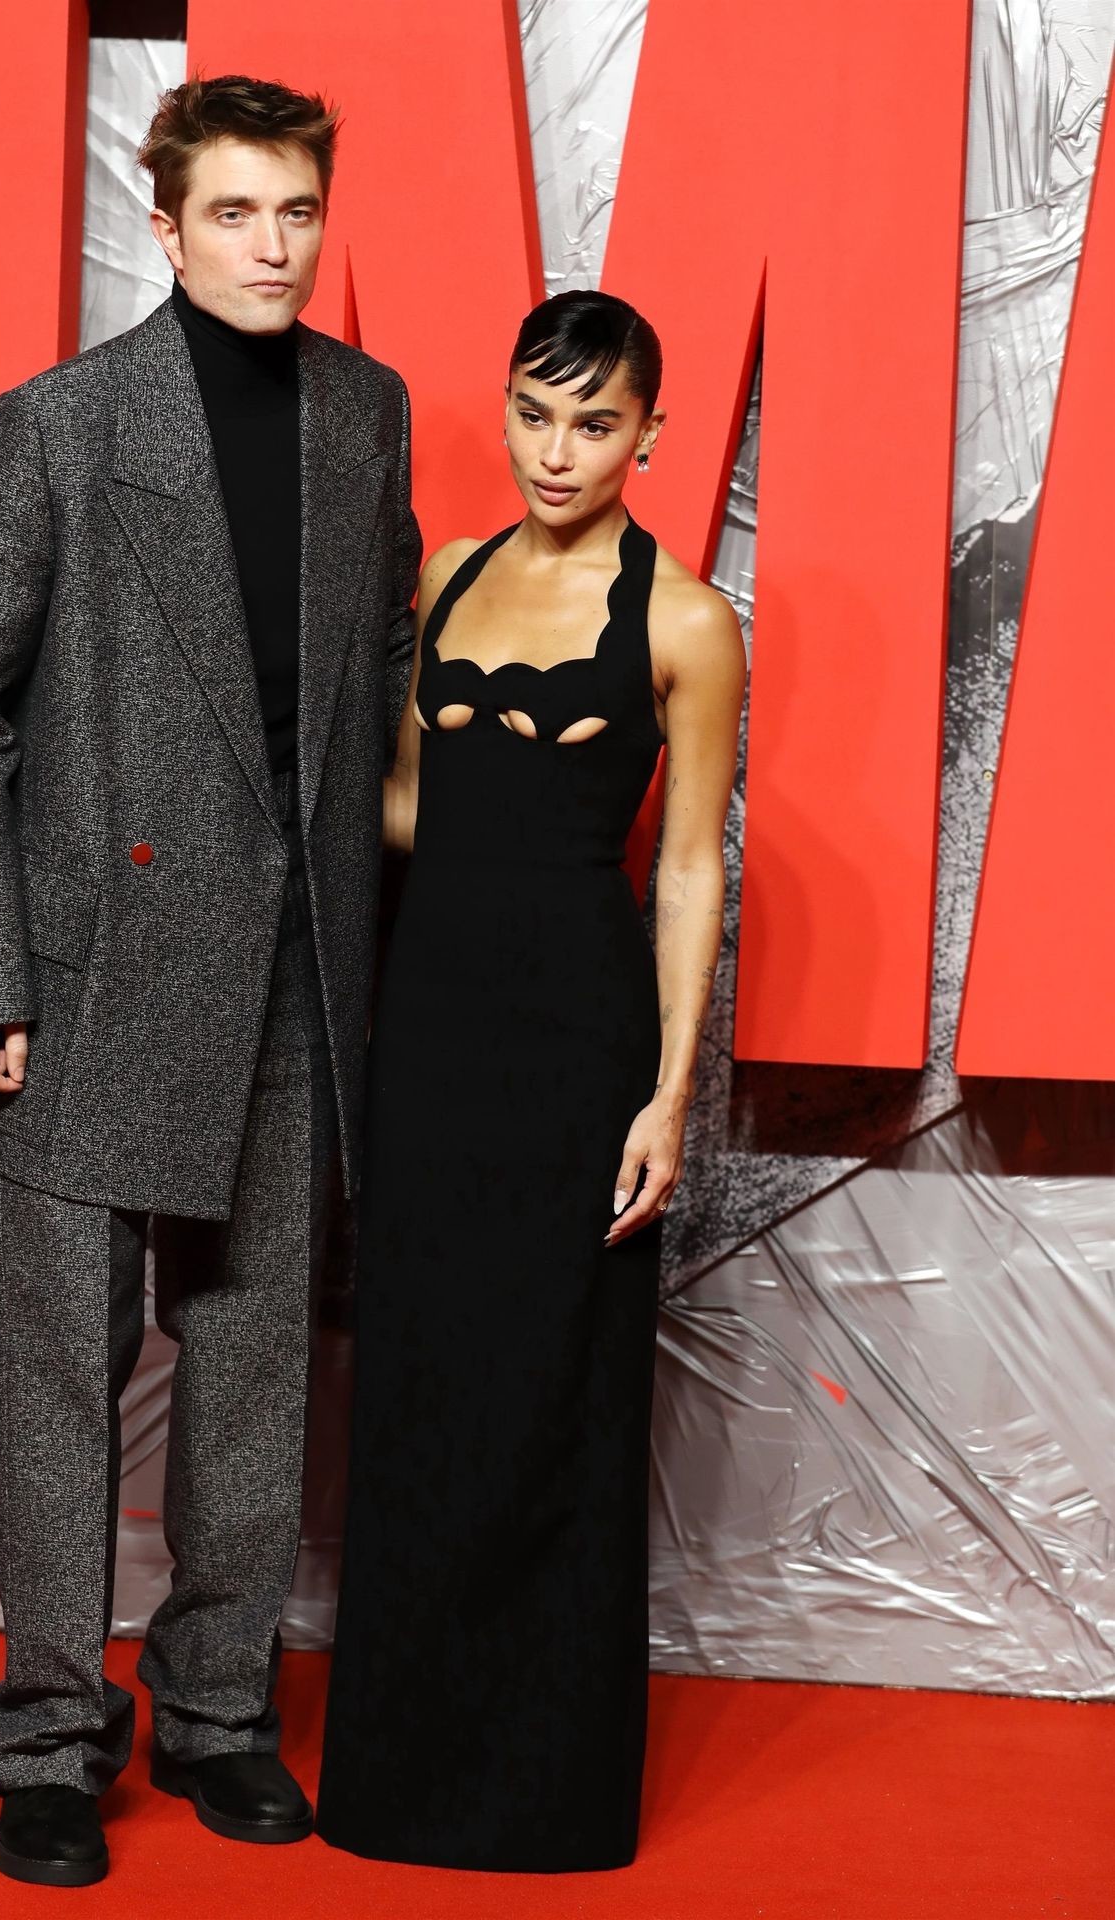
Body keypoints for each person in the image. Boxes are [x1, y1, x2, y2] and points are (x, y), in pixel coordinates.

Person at [0, 74, 421, 1888]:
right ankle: (51, 1741)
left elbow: (379, 677)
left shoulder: (366, 412)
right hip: (88, 971)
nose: (271, 247)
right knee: (57, 1366)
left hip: (294, 972)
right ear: (168, 226)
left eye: (297, 212)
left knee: (255, 1356)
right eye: (234, 213)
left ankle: (213, 1713)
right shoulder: (59, 423)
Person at [314, 290, 746, 1872]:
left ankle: (543, 1795)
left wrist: (668, 1096)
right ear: (503, 410)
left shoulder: (686, 622)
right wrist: (271, 784)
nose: (556, 452)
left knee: (554, 1391)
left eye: (594, 422)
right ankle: (398, 1778)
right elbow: (413, 807)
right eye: (532, 413)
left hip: (578, 1043)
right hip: (429, 1030)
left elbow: (686, 867)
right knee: (419, 1382)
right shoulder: (448, 572)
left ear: (649, 435)